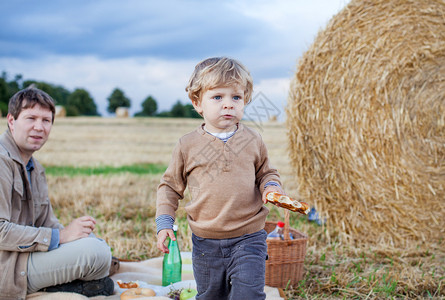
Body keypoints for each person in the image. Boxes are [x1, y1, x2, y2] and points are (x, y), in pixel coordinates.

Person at [156, 57, 286, 300]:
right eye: (218, 97)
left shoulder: (253, 139)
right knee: (210, 295)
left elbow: (267, 172)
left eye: (236, 97)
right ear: (197, 103)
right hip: (206, 241)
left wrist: (270, 187)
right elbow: (169, 188)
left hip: (249, 237)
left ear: (245, 100)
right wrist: (164, 223)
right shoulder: (187, 145)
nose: (228, 104)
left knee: (248, 295)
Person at [0, 86, 116, 299]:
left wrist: (77, 237)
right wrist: (61, 236)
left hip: (26, 255)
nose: (39, 127)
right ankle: (55, 287)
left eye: (46, 120)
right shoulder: (1, 162)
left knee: (96, 246)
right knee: (96, 254)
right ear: (11, 120)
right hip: (8, 267)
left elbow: (47, 222)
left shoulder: (35, 168)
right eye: (31, 118)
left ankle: (69, 280)